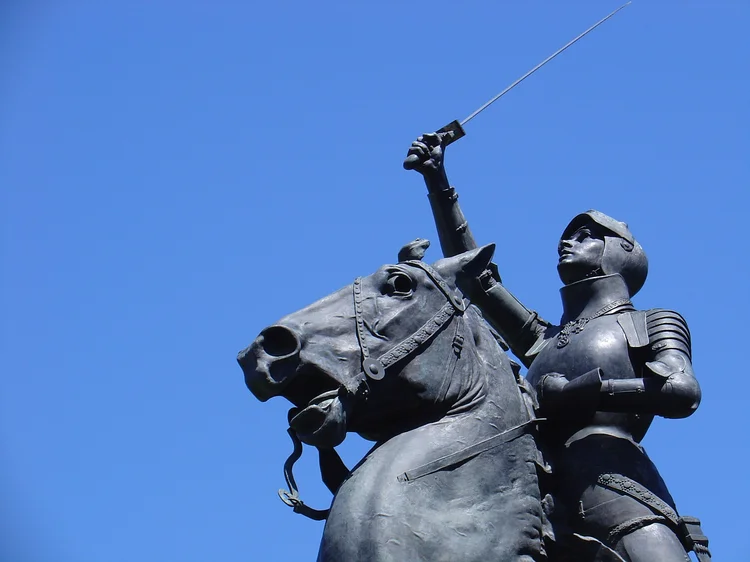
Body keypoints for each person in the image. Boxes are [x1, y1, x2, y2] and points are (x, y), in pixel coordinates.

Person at [405, 132, 710, 562]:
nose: (567, 243)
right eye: (567, 238)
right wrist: (438, 181)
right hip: (530, 490)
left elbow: (683, 392)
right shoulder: (542, 338)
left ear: (619, 250)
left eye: (584, 236)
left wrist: (585, 391)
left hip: (615, 484)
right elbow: (477, 277)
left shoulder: (651, 321)